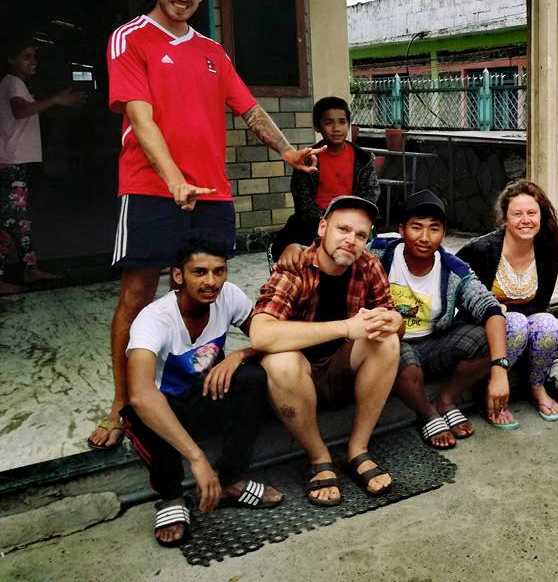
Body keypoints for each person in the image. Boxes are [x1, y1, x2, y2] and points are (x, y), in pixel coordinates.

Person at [90, 0, 317, 450]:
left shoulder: (213, 52)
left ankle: (196, 377)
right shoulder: (131, 38)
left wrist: (286, 150)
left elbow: (249, 108)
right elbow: (140, 118)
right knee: (137, 295)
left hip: (212, 192)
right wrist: (172, 177)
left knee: (208, 288)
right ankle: (123, 401)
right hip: (150, 189)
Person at [275, 189, 510, 448]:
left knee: (495, 336)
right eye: (416, 227)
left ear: (443, 233)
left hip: (433, 342)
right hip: (389, 344)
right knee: (389, 347)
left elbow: (489, 307)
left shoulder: (454, 269)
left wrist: (499, 369)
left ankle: (446, 400)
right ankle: (427, 413)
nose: (424, 237)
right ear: (401, 229)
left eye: (434, 229)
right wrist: (295, 248)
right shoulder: (379, 253)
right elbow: (337, 248)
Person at [124, 229, 283, 547]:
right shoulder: (154, 319)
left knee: (251, 378)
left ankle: (230, 482)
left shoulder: (229, 296)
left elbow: (271, 336)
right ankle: (171, 496)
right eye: (199, 272)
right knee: (141, 410)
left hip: (207, 397)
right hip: (168, 410)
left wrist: (239, 355)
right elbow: (141, 394)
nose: (211, 281)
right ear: (178, 276)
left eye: (219, 271)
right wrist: (197, 458)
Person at [250, 195, 401, 506]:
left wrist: (395, 321)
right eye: (343, 229)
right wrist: (345, 327)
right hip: (296, 378)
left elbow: (391, 317)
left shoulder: (367, 265)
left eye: (360, 235)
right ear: (322, 228)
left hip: (342, 370)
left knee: (387, 340)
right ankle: (319, 456)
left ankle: (358, 449)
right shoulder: (295, 267)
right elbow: (260, 334)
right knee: (279, 361)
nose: (351, 240)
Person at [457, 179, 558, 427]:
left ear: (541, 215)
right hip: (481, 325)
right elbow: (456, 291)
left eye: (532, 213)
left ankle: (536, 386)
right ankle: (489, 392)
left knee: (548, 323)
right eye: (517, 214)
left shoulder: (547, 248)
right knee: (515, 323)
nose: (525, 220)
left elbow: (540, 305)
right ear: (505, 218)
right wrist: (493, 310)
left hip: (520, 322)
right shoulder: (481, 249)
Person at [0, 40, 84, 294]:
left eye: (34, 56)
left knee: (21, 220)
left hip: (16, 163)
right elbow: (20, 111)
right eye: (26, 56)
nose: (33, 61)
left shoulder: (18, 84)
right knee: (10, 220)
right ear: (11, 60)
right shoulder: (12, 82)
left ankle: (30, 268)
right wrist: (55, 99)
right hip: (10, 163)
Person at [270, 96, 379, 262]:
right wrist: (329, 224)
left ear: (349, 124)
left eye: (342, 122)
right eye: (329, 123)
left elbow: (371, 194)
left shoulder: (362, 159)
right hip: (313, 225)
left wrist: (348, 221)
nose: (336, 128)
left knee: (369, 258)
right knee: (291, 256)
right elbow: (303, 202)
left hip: (353, 222)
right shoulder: (308, 159)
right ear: (317, 126)